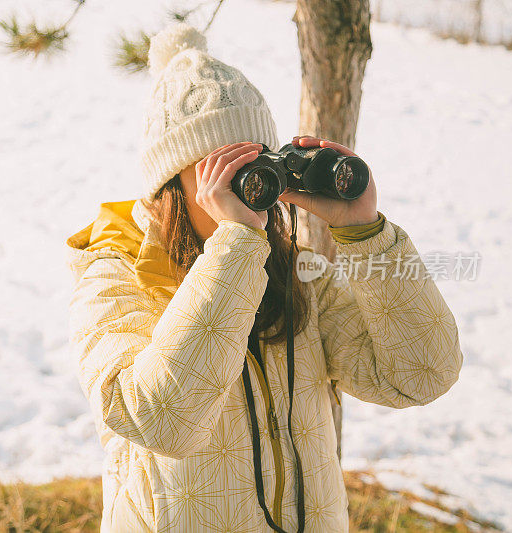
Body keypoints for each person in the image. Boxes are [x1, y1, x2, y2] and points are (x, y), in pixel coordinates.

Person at [65, 23, 463, 533]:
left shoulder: (294, 272)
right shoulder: (113, 271)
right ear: (170, 183)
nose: (247, 188)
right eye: (222, 169)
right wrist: (235, 247)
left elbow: (420, 375)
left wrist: (364, 232)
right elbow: (159, 420)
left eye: (256, 164)